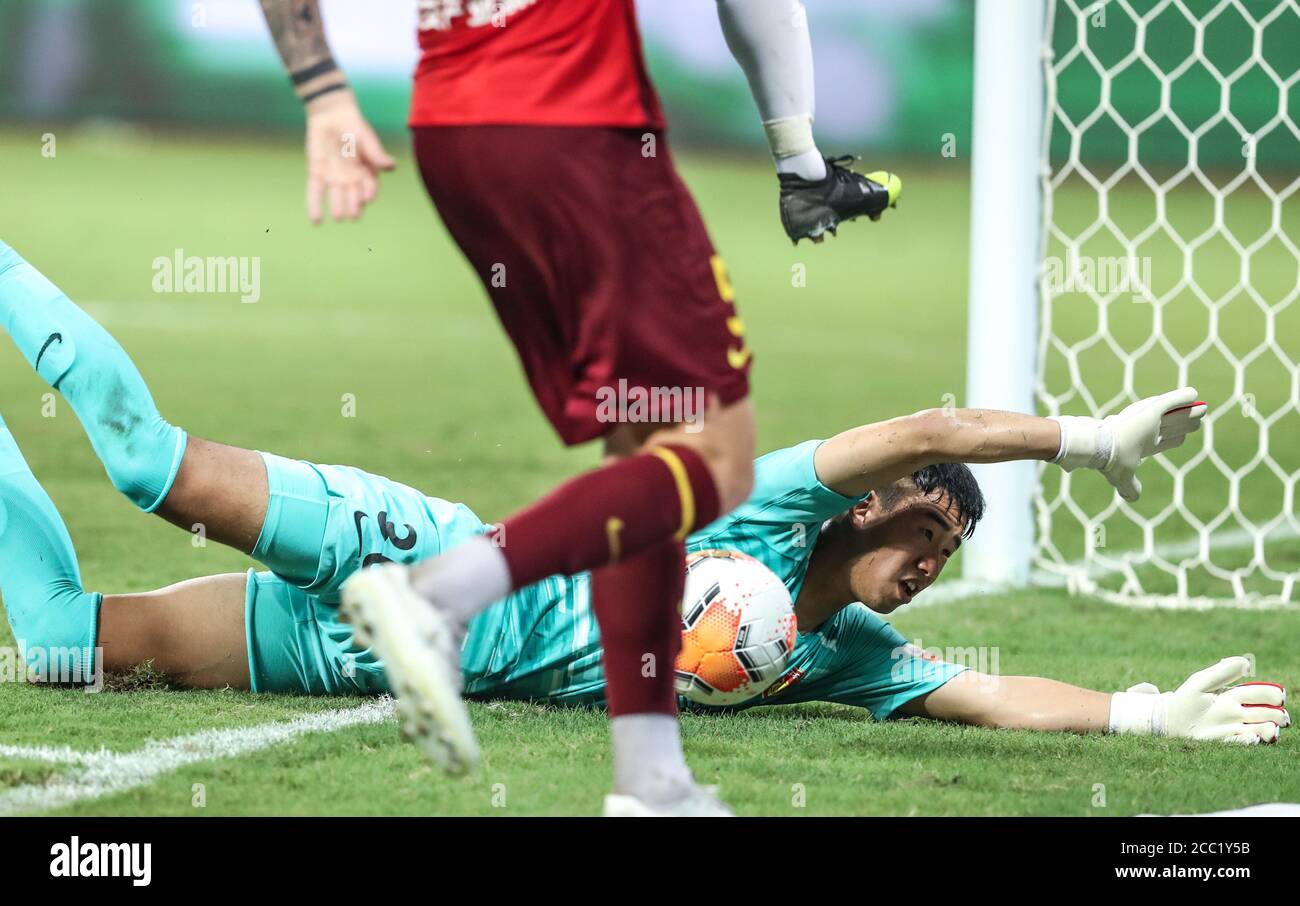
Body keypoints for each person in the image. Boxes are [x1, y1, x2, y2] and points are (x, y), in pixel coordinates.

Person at [3, 245, 1281, 817]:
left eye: (948, 551)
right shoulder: (768, 499)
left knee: (67, 646)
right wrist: (1088, 436)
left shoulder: (839, 659)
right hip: (410, 551)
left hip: (363, 659)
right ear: (868, 503)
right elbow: (922, 423)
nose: (934, 556)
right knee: (146, 467)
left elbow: (995, 706)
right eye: (927, 522)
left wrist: (1140, 716)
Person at [255, 0, 898, 814]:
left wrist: (323, 93)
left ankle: (651, 779)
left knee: (645, 446)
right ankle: (436, 598)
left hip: (456, 133)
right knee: (714, 456)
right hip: (578, 130)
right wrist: (800, 159)